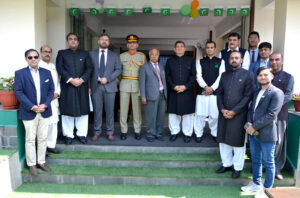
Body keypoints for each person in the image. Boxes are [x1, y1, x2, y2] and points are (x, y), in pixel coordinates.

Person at [241, 67, 284, 198]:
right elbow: (250, 110)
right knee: (255, 160)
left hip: (267, 134)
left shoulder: (277, 92)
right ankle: (256, 183)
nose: (263, 77)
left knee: (268, 162)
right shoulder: (257, 91)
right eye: (260, 75)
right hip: (253, 133)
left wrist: (255, 127)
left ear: (271, 76)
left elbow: (271, 115)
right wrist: (249, 125)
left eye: (266, 75)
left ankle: (267, 190)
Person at [14, 49, 54, 175]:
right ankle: (31, 164)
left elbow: (51, 90)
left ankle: (41, 161)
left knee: (43, 138)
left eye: (35, 57)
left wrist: (45, 105)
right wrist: (32, 106)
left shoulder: (46, 72)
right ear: (26, 59)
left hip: (44, 111)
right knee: (30, 139)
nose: (33, 59)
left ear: (38, 58)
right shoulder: (20, 73)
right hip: (29, 111)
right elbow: (18, 92)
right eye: (30, 57)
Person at [216, 51, 254, 178]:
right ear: (228, 60)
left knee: (238, 142)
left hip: (239, 115)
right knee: (223, 139)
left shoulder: (248, 75)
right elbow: (219, 93)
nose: (234, 60)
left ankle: (237, 168)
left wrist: (234, 111)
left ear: (241, 60)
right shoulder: (224, 75)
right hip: (224, 113)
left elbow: (247, 96)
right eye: (232, 58)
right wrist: (222, 109)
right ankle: (226, 164)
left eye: (236, 58)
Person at [56, 33, 92, 145]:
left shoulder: (85, 53)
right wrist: (71, 79)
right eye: (70, 39)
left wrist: (81, 80)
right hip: (67, 86)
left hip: (82, 85)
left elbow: (89, 68)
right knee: (67, 111)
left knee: (83, 110)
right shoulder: (62, 53)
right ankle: (68, 135)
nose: (73, 41)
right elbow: (60, 68)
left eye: (75, 39)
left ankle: (82, 134)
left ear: (78, 42)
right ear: (67, 42)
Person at [89, 33, 122, 141]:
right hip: (96, 86)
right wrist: (88, 86)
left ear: (109, 42)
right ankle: (97, 131)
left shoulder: (114, 55)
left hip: (110, 86)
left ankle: (110, 132)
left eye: (106, 40)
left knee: (110, 111)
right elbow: (88, 70)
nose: (104, 41)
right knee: (97, 111)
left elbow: (118, 69)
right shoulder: (91, 54)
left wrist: (107, 78)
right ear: (98, 41)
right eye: (102, 39)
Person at [269, 52, 294, 180]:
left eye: (277, 60)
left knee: (278, 142)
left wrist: (273, 104)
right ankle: (266, 165)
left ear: (282, 61)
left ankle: (276, 167)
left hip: (280, 115)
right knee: (265, 141)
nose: (274, 62)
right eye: (272, 60)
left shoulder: (288, 77)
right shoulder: (266, 75)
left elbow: (289, 95)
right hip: (265, 115)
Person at [194, 41, 225, 143]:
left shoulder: (221, 61)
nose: (209, 49)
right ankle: (198, 134)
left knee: (214, 115)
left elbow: (221, 76)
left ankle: (214, 133)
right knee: (200, 114)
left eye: (212, 47)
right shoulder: (200, 61)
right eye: (208, 47)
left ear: (215, 49)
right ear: (205, 49)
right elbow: (198, 76)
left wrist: (212, 88)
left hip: (215, 93)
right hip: (202, 92)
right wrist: (205, 87)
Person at [166, 41, 196, 143]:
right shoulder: (170, 61)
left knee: (188, 114)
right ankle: (174, 132)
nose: (179, 48)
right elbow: (167, 76)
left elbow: (193, 76)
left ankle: (187, 133)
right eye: (177, 47)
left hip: (187, 91)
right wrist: (174, 86)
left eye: (181, 46)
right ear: (174, 49)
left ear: (184, 48)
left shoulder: (190, 60)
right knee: (173, 113)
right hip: (173, 91)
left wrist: (185, 86)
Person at [119, 34, 146, 140]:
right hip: (124, 84)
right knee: (123, 110)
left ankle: (137, 130)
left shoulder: (142, 56)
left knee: (137, 110)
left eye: (134, 43)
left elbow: (144, 72)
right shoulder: (122, 56)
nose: (132, 44)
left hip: (137, 85)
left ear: (137, 45)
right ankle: (123, 131)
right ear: (127, 45)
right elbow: (118, 71)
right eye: (130, 43)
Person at [139, 48, 167, 142]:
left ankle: (158, 133)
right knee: (151, 116)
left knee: (161, 116)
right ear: (149, 56)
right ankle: (150, 134)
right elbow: (141, 83)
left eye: (156, 54)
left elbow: (164, 80)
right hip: (150, 95)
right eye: (152, 54)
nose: (154, 56)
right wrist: (143, 96)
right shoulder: (144, 67)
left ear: (158, 56)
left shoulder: (162, 66)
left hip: (162, 94)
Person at [39, 45, 61, 154]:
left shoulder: (54, 66)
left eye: (49, 52)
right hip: (43, 101)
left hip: (54, 100)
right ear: (41, 53)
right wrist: (47, 97)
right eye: (45, 52)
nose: (47, 54)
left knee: (53, 123)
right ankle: (43, 148)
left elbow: (58, 82)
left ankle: (51, 145)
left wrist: (57, 93)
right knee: (44, 124)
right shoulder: (37, 66)